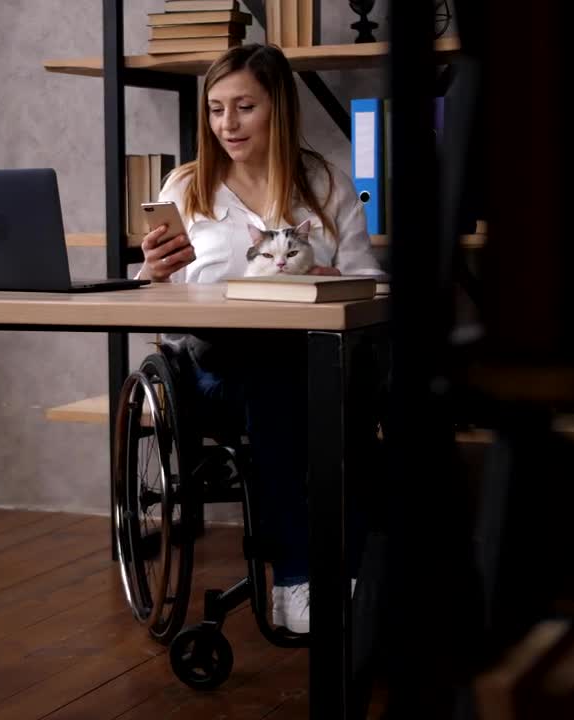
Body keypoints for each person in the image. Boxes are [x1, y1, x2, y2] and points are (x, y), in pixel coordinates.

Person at [136, 43, 384, 633]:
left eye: (244, 107)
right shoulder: (186, 188)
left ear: (278, 109)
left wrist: (338, 277)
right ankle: (297, 581)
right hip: (213, 371)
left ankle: (349, 578)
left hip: (312, 361)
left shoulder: (325, 184)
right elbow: (152, 304)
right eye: (217, 109)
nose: (227, 124)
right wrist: (152, 274)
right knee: (281, 386)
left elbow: (375, 285)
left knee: (349, 389)